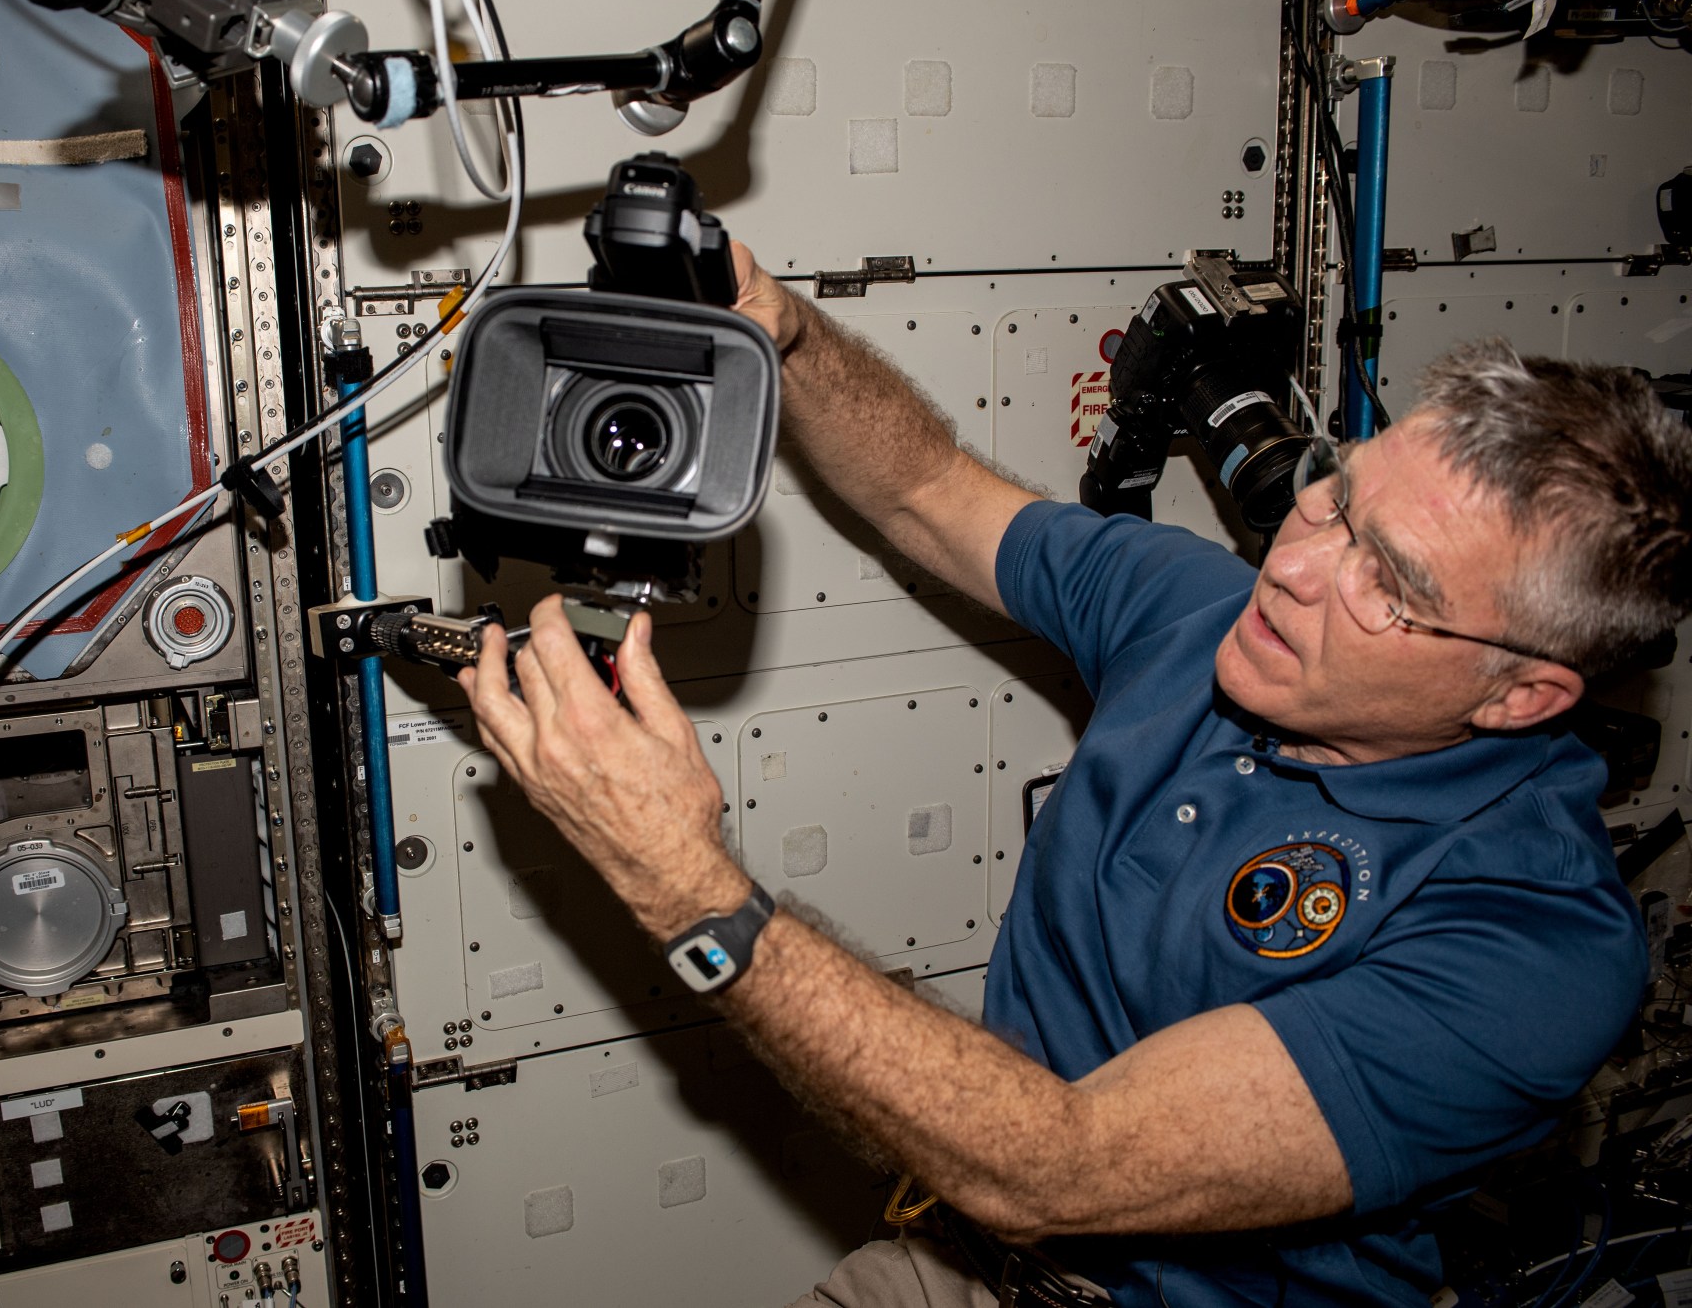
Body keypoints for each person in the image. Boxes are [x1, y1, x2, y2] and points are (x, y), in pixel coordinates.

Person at [454, 242, 1692, 1306]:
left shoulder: (1529, 942)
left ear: (1518, 693)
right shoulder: (1195, 612)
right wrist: (784, 332)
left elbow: (1056, 1164)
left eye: (1392, 583)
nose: (1297, 565)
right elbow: (932, 490)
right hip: (964, 1257)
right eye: (1335, 495)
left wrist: (681, 883)